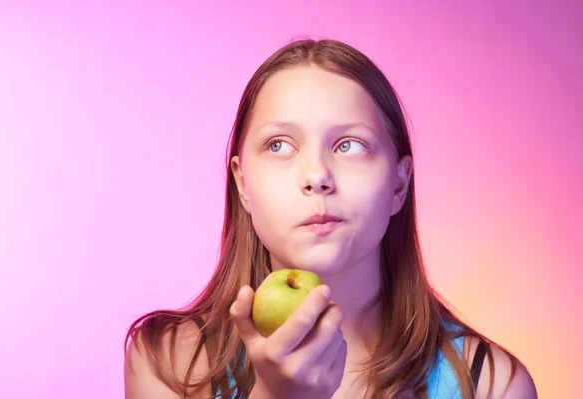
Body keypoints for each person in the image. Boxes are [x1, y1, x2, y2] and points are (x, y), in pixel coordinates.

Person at [124, 38, 537, 399]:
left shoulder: (491, 386)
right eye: (280, 144)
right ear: (243, 185)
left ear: (398, 185)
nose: (317, 175)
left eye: (349, 145)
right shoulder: (171, 364)